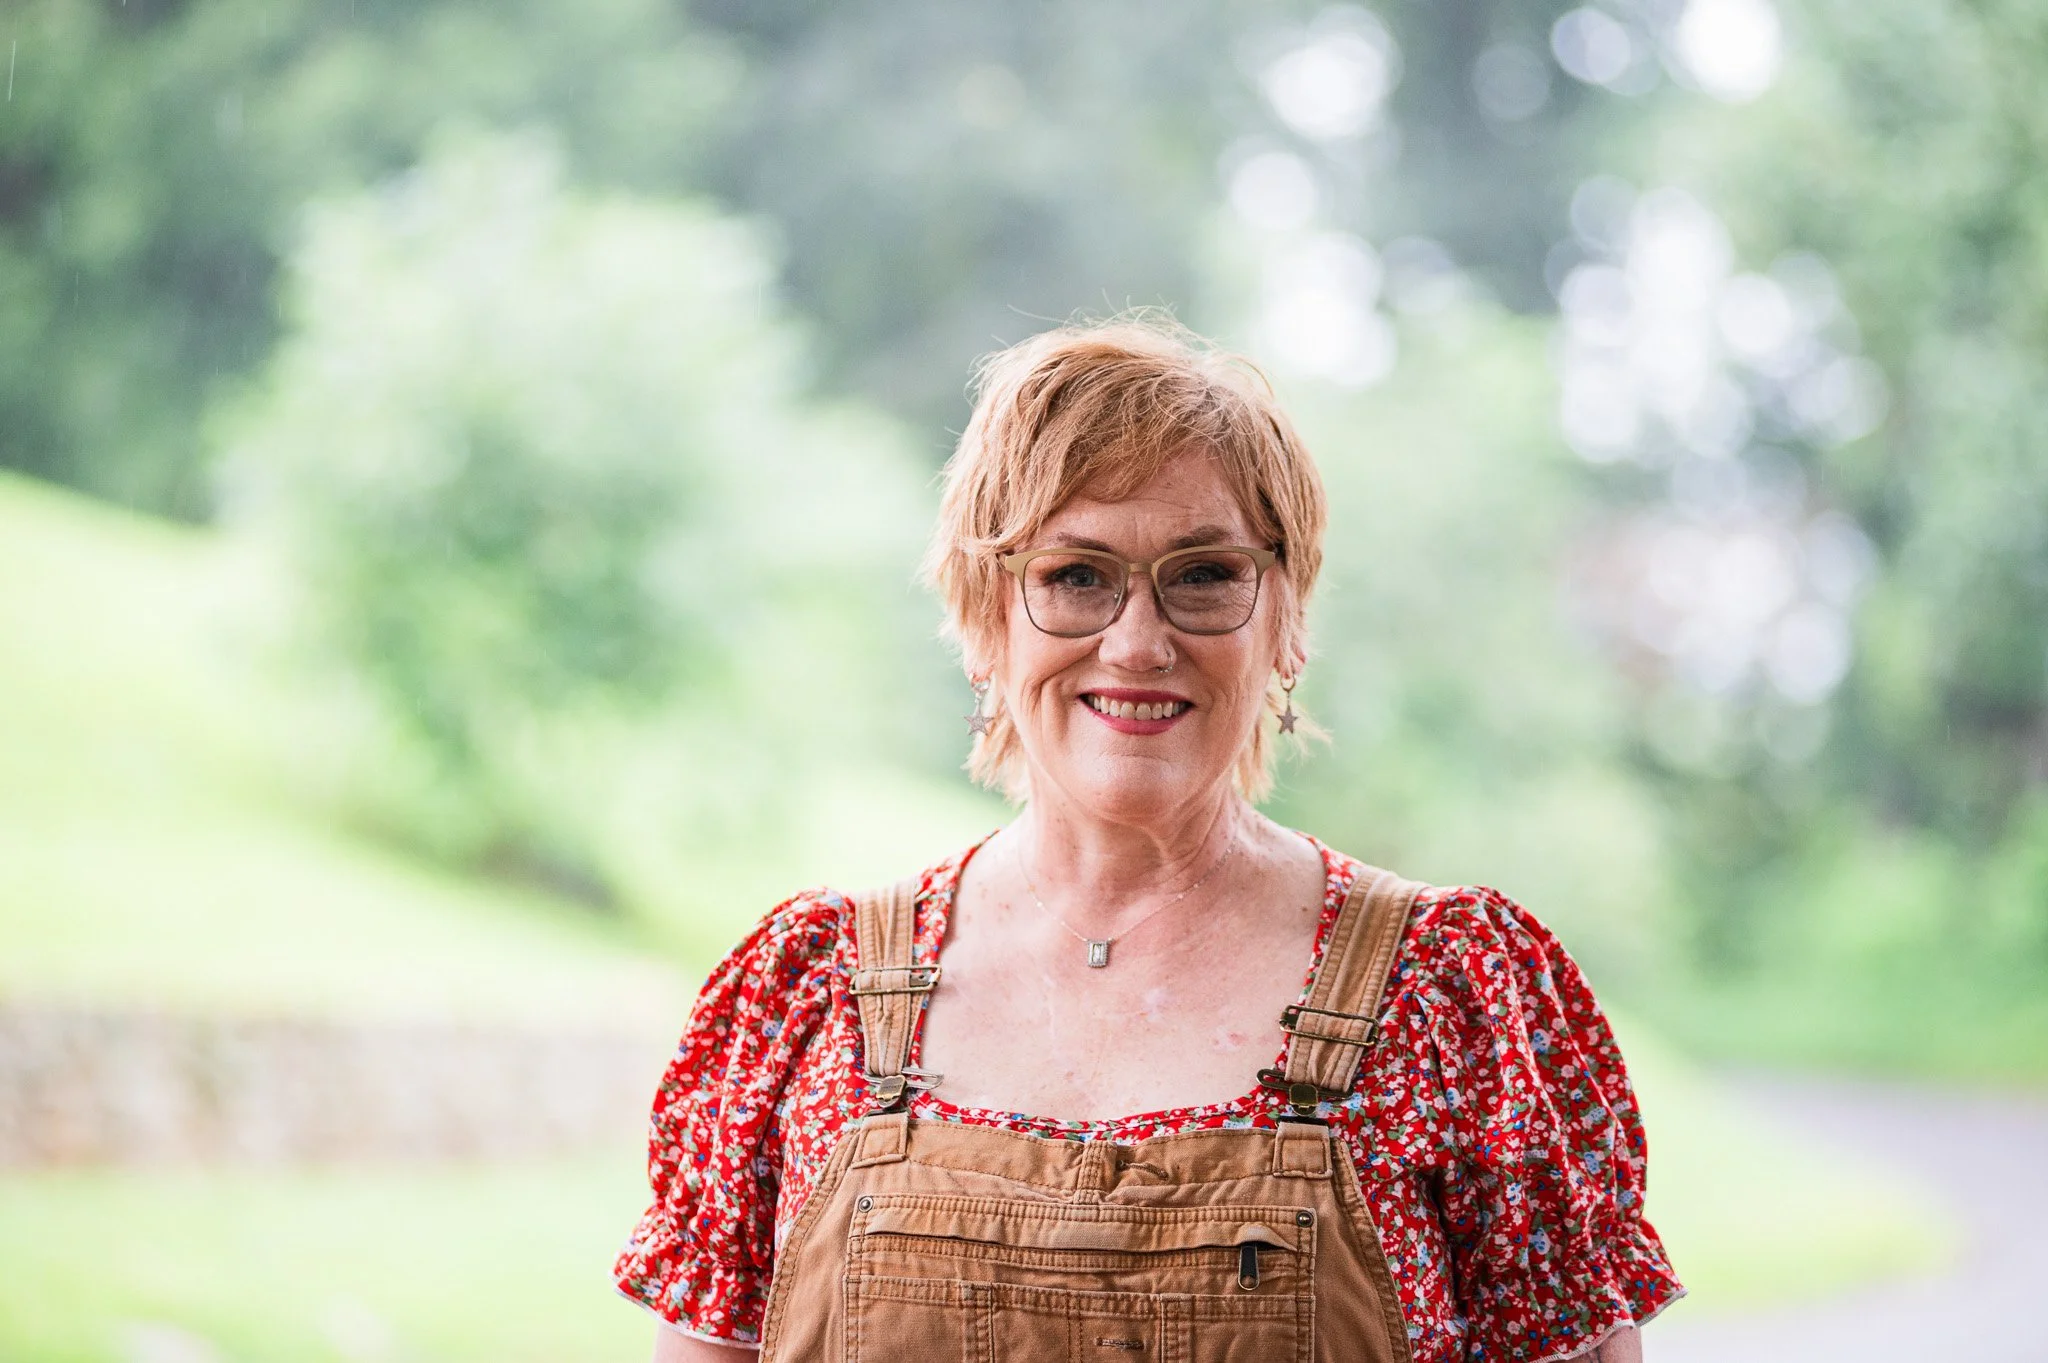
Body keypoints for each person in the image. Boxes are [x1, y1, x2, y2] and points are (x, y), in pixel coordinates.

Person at [614, 317, 1684, 1361]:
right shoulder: (806, 998)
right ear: (986, 618)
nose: (1136, 641)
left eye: (1203, 574)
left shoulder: (1454, 999)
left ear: (1287, 616)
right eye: (1074, 576)